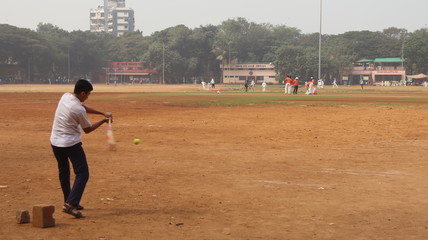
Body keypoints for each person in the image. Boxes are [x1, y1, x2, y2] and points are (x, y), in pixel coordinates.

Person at [50, 79, 113, 218]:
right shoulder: (77, 109)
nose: (88, 96)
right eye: (88, 94)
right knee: (83, 173)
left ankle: (69, 200)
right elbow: (88, 129)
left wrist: (102, 113)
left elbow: (82, 106)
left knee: (64, 172)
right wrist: (103, 120)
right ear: (83, 92)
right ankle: (71, 204)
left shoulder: (66, 96)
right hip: (70, 143)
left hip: (55, 141)